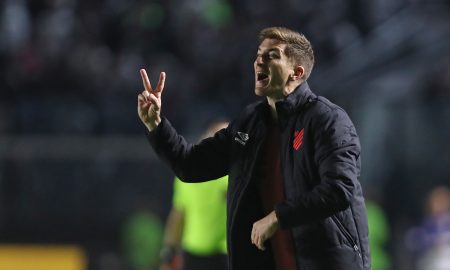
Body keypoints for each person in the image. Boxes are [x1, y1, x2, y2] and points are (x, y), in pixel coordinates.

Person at [137, 26, 371, 270]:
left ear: (296, 72)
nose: (260, 60)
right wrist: (156, 125)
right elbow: (191, 165)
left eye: (272, 56)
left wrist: (278, 217)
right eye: (259, 54)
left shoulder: (327, 120)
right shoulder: (249, 124)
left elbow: (339, 189)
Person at [160, 120, 229, 270]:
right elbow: (179, 214)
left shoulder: (234, 175)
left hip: (224, 254)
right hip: (194, 254)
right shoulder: (187, 176)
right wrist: (169, 254)